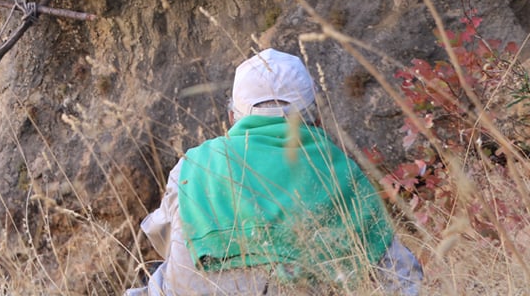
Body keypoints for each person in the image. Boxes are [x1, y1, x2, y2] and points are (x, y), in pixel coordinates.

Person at [126, 49, 424, 295]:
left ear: (233, 117)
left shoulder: (194, 164)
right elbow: (402, 280)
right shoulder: (339, 173)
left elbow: (163, 237)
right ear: (316, 118)